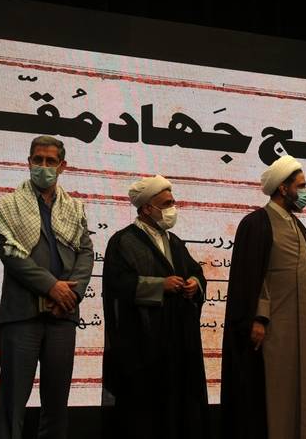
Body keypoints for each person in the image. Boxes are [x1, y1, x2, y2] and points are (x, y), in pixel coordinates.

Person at [0, 136, 94, 439]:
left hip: (63, 315)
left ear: (62, 166)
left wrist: (71, 294)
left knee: (57, 405)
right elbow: (12, 256)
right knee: (12, 404)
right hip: (22, 316)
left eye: (50, 161)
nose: (43, 166)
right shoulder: (8, 206)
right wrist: (52, 287)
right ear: (29, 162)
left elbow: (86, 253)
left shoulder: (74, 208)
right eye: (38, 160)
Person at [221, 155, 306, 439]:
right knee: (274, 397)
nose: (305, 192)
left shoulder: (297, 225)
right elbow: (250, 278)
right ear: (283, 188)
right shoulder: (256, 223)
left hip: (303, 333)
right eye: (301, 186)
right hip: (272, 333)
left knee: (305, 393)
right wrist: (257, 318)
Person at [102, 174, 209, 439]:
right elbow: (117, 285)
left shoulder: (175, 242)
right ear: (147, 208)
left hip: (177, 343)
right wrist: (160, 286)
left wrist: (195, 283)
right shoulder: (123, 241)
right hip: (142, 346)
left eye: (172, 202)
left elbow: (195, 271)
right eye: (166, 204)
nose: (172, 208)